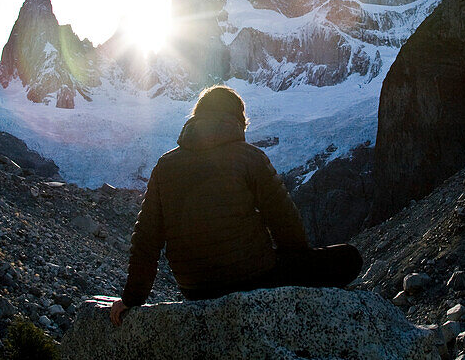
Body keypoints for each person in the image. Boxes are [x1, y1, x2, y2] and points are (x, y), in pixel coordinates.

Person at [110, 85, 363, 325]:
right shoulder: (249, 157)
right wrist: (299, 269)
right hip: (254, 279)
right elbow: (287, 226)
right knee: (349, 258)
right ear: (237, 120)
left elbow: (146, 239)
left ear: (196, 118)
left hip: (194, 290)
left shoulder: (164, 165)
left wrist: (132, 299)